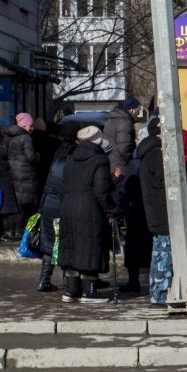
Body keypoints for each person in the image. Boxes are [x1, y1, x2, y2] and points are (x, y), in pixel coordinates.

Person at [58, 126, 119, 304]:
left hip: (68, 207)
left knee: (72, 248)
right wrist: (111, 210)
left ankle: (71, 291)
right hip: (89, 208)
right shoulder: (100, 160)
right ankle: (89, 293)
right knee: (90, 248)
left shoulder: (71, 158)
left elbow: (64, 187)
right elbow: (101, 191)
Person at [34, 128, 73, 293]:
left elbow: (47, 187)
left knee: (50, 243)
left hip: (50, 205)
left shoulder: (56, 163)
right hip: (65, 206)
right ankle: (71, 282)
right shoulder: (73, 164)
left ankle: (43, 281)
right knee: (69, 242)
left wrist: (41, 209)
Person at [138, 118, 172, 306]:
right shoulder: (158, 155)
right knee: (164, 255)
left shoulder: (147, 152)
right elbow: (168, 181)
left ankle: (157, 292)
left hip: (154, 210)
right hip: (162, 211)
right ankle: (160, 295)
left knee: (159, 253)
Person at [117, 124, 153, 295]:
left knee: (134, 247)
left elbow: (128, 187)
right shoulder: (163, 155)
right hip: (158, 209)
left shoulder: (137, 160)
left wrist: (121, 208)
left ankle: (134, 281)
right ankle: (159, 282)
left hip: (139, 209)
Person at [3, 113, 41, 241]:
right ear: (25, 125)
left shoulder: (10, 137)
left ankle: (12, 230)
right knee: (26, 203)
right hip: (26, 173)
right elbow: (30, 157)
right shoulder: (26, 138)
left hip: (13, 171)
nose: (31, 128)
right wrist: (38, 156)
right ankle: (22, 231)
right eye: (30, 125)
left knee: (17, 202)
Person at [103, 96, 141, 181]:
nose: (138, 112)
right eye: (138, 109)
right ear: (132, 110)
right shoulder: (125, 123)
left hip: (111, 165)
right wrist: (131, 159)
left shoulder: (111, 121)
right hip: (121, 168)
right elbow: (124, 148)